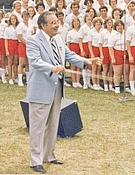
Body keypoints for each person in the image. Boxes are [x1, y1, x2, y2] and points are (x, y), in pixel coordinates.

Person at [26, 11, 100, 173]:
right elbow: (35, 61)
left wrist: (85, 61)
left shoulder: (58, 39)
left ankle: (49, 155)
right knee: (38, 126)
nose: (56, 25)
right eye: (52, 23)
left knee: (53, 124)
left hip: (57, 88)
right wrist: (52, 68)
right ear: (42, 26)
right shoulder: (33, 41)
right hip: (41, 89)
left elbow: (68, 54)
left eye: (57, 22)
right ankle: (35, 160)